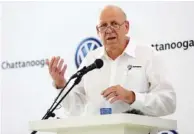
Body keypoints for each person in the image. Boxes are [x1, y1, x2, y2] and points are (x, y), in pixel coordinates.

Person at [46, 5, 176, 117]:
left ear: (126, 26)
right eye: (103, 26)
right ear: (98, 31)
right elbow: (75, 109)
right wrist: (61, 84)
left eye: (114, 24)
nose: (109, 30)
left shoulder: (147, 55)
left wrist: (132, 97)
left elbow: (169, 102)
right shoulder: (91, 59)